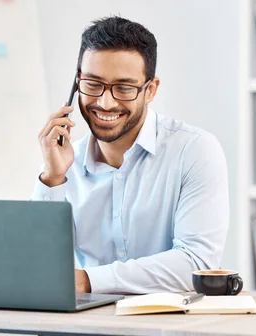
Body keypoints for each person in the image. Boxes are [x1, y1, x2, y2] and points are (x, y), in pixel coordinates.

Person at [32, 16, 229, 294]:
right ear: (77, 84)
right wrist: (52, 179)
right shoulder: (64, 163)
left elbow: (196, 264)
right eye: (93, 84)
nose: (105, 102)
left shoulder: (194, 151)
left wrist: (88, 280)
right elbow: (36, 269)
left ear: (150, 90)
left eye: (123, 88)